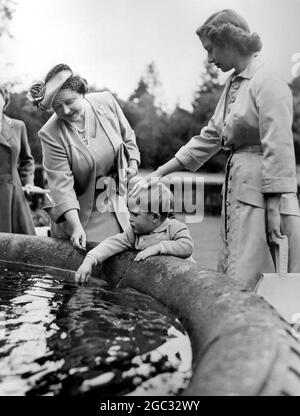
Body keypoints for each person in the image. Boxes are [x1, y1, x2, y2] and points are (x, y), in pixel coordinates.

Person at [131, 9, 300, 289]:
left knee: (268, 285)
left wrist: (273, 209)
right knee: (236, 281)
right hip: (240, 195)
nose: (209, 59)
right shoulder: (234, 83)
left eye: (211, 50)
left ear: (230, 41)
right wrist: (160, 173)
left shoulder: (267, 80)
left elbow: (279, 146)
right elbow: (211, 135)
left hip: (265, 199)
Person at [27, 64, 140, 250]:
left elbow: (128, 137)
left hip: (118, 204)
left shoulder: (106, 102)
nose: (65, 111)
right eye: (57, 107)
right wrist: (76, 227)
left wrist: (133, 165)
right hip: (82, 215)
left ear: (82, 92)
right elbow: (61, 187)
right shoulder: (49, 134)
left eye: (69, 102)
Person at [75, 182, 194, 282]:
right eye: (129, 212)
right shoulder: (134, 233)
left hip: (183, 281)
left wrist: (158, 247)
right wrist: (89, 260)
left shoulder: (174, 228)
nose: (129, 218)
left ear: (155, 217)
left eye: (135, 214)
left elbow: (187, 246)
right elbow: (111, 244)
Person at [0, 85, 36, 235]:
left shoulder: (18, 126)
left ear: (4, 100)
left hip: (13, 193)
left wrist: (28, 182)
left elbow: (27, 160)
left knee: (19, 247)